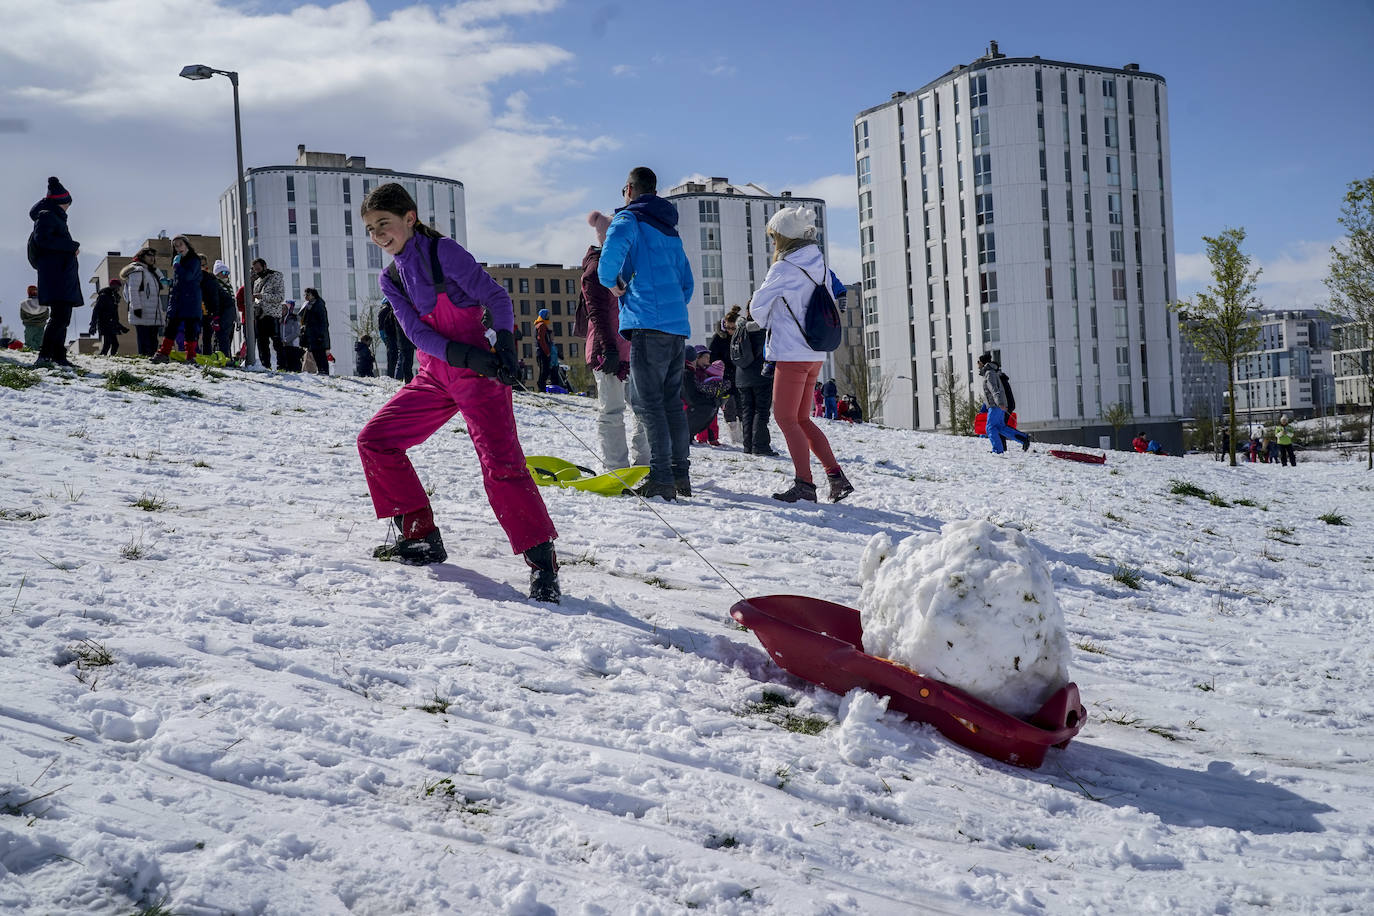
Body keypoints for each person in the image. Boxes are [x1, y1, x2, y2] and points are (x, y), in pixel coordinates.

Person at [354, 181, 560, 602]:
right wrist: (461, 356)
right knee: (375, 440)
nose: (378, 236)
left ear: (409, 218)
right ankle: (420, 535)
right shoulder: (391, 276)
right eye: (371, 229)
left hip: (479, 377)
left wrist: (503, 342)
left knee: (501, 464)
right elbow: (414, 332)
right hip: (435, 374)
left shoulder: (442, 252)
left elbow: (497, 297)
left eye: (384, 224)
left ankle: (543, 563)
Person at [596, 166, 694, 501]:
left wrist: (615, 286)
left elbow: (607, 264)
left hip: (646, 324)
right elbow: (687, 283)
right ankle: (681, 475)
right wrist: (672, 311)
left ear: (629, 189)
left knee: (646, 402)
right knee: (670, 402)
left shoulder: (629, 220)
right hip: (675, 327)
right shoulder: (669, 229)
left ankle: (662, 478)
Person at [747, 206, 854, 502]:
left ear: (784, 238)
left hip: (792, 353)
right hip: (814, 353)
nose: (772, 243)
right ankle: (836, 477)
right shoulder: (819, 264)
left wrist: (765, 320)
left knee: (784, 418)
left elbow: (757, 306)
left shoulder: (783, 268)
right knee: (802, 418)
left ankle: (805, 484)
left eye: (774, 237)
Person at [578, 210, 648, 470]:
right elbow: (596, 313)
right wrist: (608, 349)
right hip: (607, 349)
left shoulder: (625, 263)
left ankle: (645, 462)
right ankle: (616, 465)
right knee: (612, 409)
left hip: (630, 347)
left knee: (642, 409)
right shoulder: (596, 267)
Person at [28, 177, 82, 368]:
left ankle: (59, 355)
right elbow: (43, 240)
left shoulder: (53, 216)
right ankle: (44, 355)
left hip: (61, 275)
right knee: (59, 317)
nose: (68, 206)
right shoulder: (47, 215)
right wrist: (72, 246)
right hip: (56, 276)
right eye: (68, 203)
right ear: (62, 202)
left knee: (63, 317)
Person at [733, 306, 777, 456]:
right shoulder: (764, 329)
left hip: (741, 375)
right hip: (760, 374)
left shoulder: (741, 327)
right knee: (761, 411)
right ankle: (760, 446)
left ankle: (748, 446)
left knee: (747, 411)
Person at [151, 236, 203, 364]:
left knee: (190, 330)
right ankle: (164, 353)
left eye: (180, 244)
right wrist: (170, 282)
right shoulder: (180, 261)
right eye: (175, 246)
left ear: (186, 245)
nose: (178, 247)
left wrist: (177, 266)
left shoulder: (194, 260)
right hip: (177, 300)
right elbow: (180, 281)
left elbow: (189, 277)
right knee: (170, 327)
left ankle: (191, 357)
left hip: (190, 301)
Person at [978, 352, 1031, 455]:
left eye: (978, 362)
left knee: (990, 428)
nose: (977, 364)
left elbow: (994, 390)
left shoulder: (989, 374)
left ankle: (997, 450)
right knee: (1000, 427)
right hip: (998, 405)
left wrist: (1000, 403)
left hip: (995, 405)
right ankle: (1024, 438)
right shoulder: (992, 372)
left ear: (983, 363)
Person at [708, 305, 743, 445]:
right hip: (724, 377)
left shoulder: (741, 336)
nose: (730, 331)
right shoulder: (718, 338)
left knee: (742, 406)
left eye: (733, 328)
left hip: (739, 375)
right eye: (728, 328)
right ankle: (734, 434)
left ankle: (743, 434)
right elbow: (712, 356)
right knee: (728, 406)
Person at [121, 248, 164, 357]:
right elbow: (133, 290)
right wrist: (136, 308)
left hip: (153, 313)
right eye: (149, 255)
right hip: (142, 311)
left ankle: (152, 360)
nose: (152, 258)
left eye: (153, 255)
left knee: (153, 341)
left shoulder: (151, 271)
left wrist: (158, 273)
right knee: (144, 341)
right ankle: (144, 359)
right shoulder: (138, 270)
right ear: (142, 256)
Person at [683, 345, 724, 445]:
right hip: (692, 402)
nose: (708, 360)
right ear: (697, 358)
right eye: (705, 357)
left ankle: (712, 437)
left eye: (709, 358)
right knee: (698, 418)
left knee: (711, 419)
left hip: (704, 399)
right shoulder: (692, 371)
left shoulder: (707, 371)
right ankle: (701, 438)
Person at [250, 258, 286, 368]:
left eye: (258, 269)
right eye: (255, 270)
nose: (257, 271)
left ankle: (282, 366)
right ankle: (265, 365)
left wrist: (262, 296)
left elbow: (280, 297)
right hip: (259, 314)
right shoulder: (256, 281)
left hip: (272, 314)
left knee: (276, 342)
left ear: (264, 266)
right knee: (262, 343)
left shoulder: (276, 277)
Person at [88, 278, 127, 355]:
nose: (118, 289)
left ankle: (110, 358)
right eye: (117, 286)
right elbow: (96, 310)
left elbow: (114, 314)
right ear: (113, 286)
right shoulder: (104, 296)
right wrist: (93, 324)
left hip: (111, 324)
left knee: (115, 344)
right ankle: (104, 358)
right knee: (108, 344)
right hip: (104, 323)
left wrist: (120, 326)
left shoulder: (114, 298)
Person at [300, 288, 332, 374]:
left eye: (308, 295)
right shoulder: (308, 305)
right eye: (305, 295)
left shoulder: (319, 305)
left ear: (313, 295)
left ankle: (324, 371)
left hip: (318, 335)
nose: (306, 297)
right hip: (311, 334)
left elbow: (323, 322)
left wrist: (321, 335)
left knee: (320, 354)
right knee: (314, 353)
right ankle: (321, 370)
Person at [278, 300, 305, 372]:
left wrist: (286, 340)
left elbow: (296, 332)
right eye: (281, 309)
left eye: (284, 309)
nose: (282, 311)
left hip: (293, 346)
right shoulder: (280, 320)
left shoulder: (295, 318)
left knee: (294, 365)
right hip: (284, 346)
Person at [19, 285, 48, 352]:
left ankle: (34, 351)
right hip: (41, 325)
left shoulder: (23, 304)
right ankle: (38, 352)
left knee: (29, 342)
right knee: (39, 341)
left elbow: (22, 316)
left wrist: (27, 321)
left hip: (29, 326)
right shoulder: (44, 303)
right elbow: (47, 315)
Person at [534, 308, 554, 391]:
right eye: (547, 315)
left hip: (540, 351)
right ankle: (541, 386)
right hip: (543, 352)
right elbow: (541, 339)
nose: (548, 317)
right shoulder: (541, 325)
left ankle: (542, 386)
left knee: (544, 369)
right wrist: (547, 351)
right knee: (544, 370)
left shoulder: (540, 325)